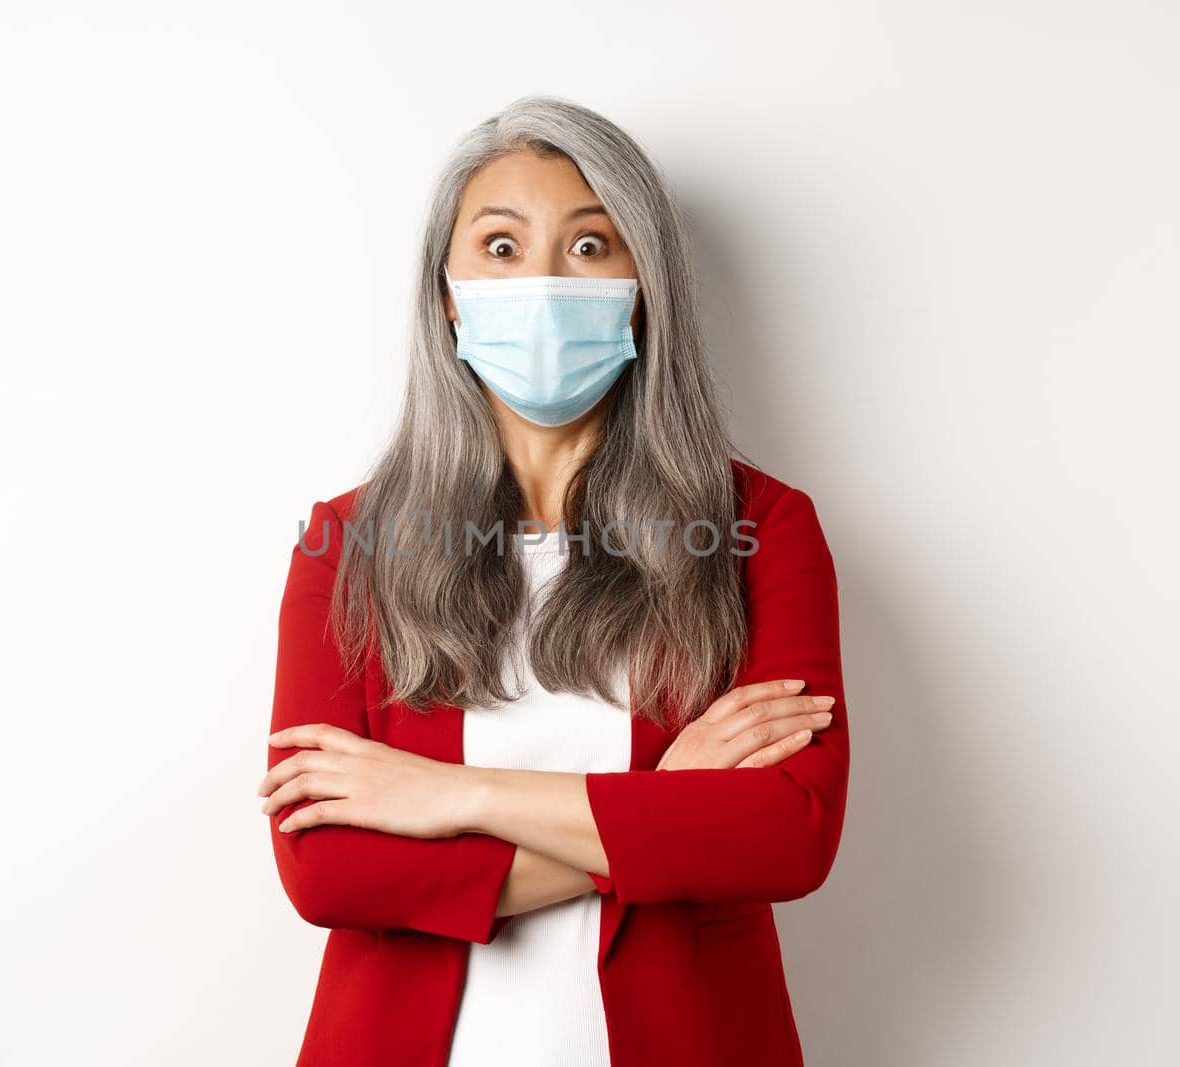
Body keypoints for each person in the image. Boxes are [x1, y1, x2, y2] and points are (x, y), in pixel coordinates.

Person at [258, 94, 849, 1067]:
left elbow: (786, 834)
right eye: (500, 247)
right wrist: (668, 802)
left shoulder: (760, 529)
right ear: (447, 295)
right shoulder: (346, 542)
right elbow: (326, 868)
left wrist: (448, 793)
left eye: (588, 245)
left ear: (642, 283)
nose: (541, 279)